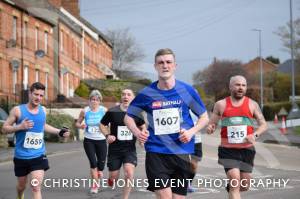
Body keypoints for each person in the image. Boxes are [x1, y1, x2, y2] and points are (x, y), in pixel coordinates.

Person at [124, 48, 209, 199]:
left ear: (175, 66)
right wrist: (138, 133)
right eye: (161, 62)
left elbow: (204, 117)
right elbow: (128, 117)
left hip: (181, 153)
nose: (165, 65)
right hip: (156, 152)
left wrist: (190, 132)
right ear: (155, 66)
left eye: (168, 62)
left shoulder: (186, 90)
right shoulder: (147, 93)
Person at [2, 82, 70, 199]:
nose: (38, 98)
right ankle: (20, 196)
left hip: (38, 155)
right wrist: (19, 127)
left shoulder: (43, 110)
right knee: (21, 186)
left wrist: (59, 131)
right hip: (21, 156)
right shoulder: (17, 110)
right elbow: (4, 129)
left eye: (41, 96)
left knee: (36, 186)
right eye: (36, 94)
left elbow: (43, 126)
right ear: (29, 93)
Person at [206, 75, 268, 199]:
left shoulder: (252, 104)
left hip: (247, 150)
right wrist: (210, 128)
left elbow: (263, 125)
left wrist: (254, 134)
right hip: (228, 150)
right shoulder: (221, 104)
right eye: (237, 85)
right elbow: (212, 124)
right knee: (235, 180)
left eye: (243, 85)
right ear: (230, 87)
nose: (241, 88)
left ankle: (231, 188)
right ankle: (233, 188)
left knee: (244, 185)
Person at [100, 89, 145, 199]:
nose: (126, 96)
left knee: (129, 173)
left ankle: (125, 198)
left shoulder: (136, 113)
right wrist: (107, 135)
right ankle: (111, 180)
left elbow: (142, 126)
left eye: (129, 94)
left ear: (133, 98)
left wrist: (141, 136)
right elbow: (102, 124)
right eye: (123, 94)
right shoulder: (112, 111)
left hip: (129, 149)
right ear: (121, 97)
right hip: (114, 149)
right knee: (113, 178)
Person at [75, 90, 107, 194]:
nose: (94, 102)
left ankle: (99, 171)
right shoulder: (85, 111)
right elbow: (77, 123)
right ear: (89, 100)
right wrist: (81, 125)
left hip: (101, 140)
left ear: (100, 101)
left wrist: (109, 132)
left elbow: (109, 123)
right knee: (93, 163)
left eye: (97, 100)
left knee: (101, 164)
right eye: (92, 99)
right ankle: (95, 185)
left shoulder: (104, 110)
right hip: (89, 140)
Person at [187, 111, 203, 193]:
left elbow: (205, 120)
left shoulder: (198, 107)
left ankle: (188, 183)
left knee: (193, 165)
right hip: (182, 140)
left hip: (196, 140)